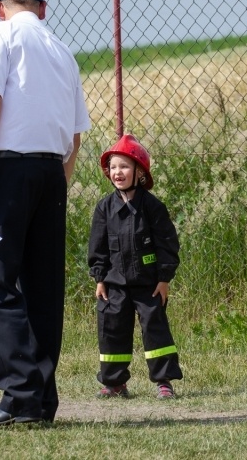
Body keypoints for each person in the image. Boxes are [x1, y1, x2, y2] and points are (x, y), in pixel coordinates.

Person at [0, 0, 92, 426]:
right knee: (43, 287)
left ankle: (19, 395)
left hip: (10, 169)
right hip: (52, 173)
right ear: (42, 10)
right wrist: (59, 184)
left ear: (1, 9)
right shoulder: (62, 52)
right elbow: (74, 136)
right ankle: (42, 402)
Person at [88, 134, 183, 399]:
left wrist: (163, 279)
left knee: (156, 329)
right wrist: (100, 278)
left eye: (125, 166)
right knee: (112, 330)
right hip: (114, 285)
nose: (118, 172)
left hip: (149, 284)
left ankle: (163, 381)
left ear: (139, 172)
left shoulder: (152, 207)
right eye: (113, 167)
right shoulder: (104, 209)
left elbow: (167, 244)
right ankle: (114, 383)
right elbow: (97, 248)